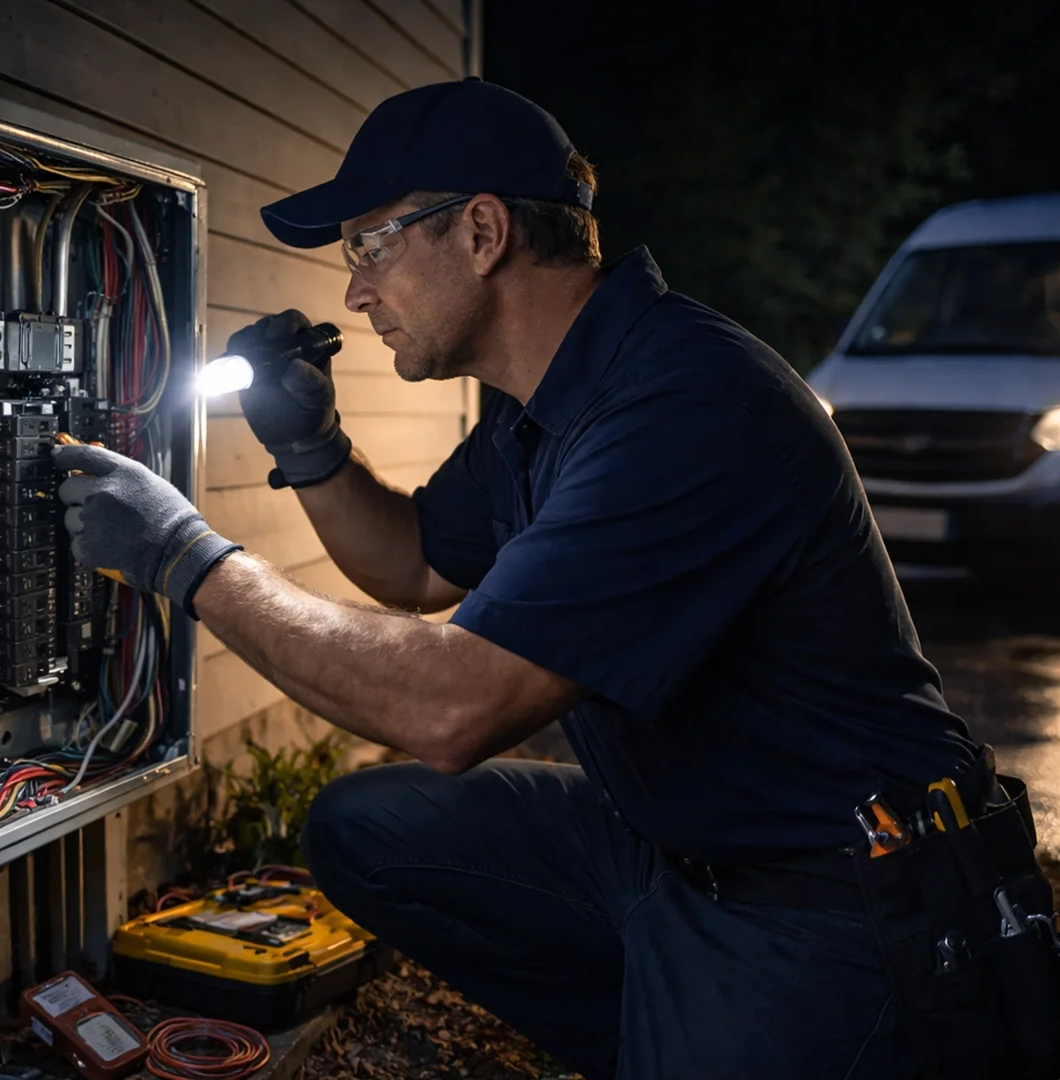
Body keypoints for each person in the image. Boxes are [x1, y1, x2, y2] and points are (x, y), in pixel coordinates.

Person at [54, 79, 1004, 1079]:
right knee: (369, 828)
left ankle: (726, 1022)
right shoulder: (541, 401)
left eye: (369, 244)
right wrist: (314, 445)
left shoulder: (686, 406)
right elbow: (416, 563)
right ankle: (668, 1015)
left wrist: (184, 557)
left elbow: (454, 708)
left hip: (839, 888)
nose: (354, 291)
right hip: (670, 843)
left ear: (481, 231)